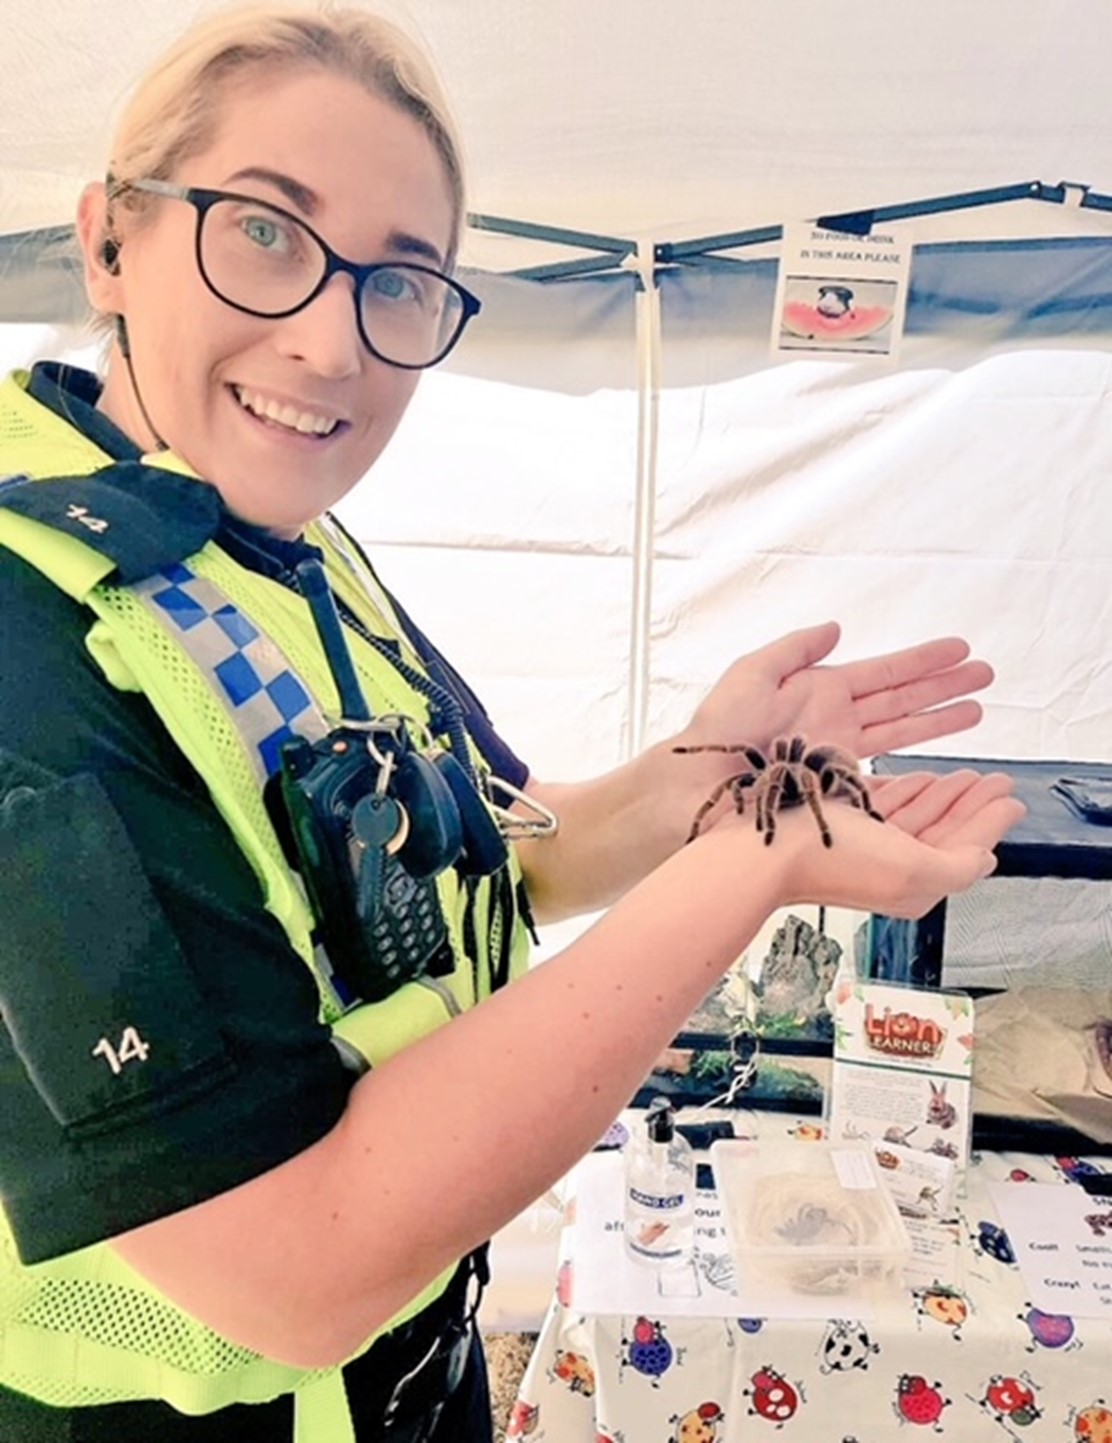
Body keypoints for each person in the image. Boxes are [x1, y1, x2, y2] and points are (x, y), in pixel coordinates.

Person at [0, 4, 1024, 1440]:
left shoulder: (272, 544)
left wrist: (706, 781)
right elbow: (291, 1274)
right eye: (267, 234)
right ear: (113, 238)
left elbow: (506, 849)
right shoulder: (30, 639)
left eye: (402, 281)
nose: (329, 342)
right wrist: (759, 867)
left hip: (419, 1379)